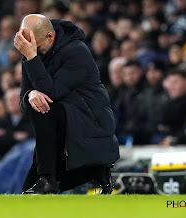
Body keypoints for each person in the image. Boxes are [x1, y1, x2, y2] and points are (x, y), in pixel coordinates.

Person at [14, 14, 119, 194]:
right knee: (28, 191)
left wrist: (32, 58)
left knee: (43, 108)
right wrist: (31, 94)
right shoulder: (31, 53)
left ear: (50, 36)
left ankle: (49, 178)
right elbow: (23, 105)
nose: (34, 52)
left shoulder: (77, 51)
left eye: (37, 48)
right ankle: (94, 171)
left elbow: (52, 92)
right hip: (58, 120)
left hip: (89, 119)